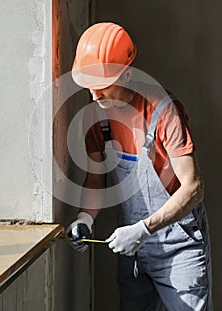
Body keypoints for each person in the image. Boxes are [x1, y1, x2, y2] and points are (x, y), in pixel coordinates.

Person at [67, 22, 213, 310]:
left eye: (103, 88)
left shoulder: (164, 111)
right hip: (132, 249)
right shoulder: (95, 117)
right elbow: (96, 180)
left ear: (128, 76)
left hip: (178, 248)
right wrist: (85, 218)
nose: (95, 98)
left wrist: (144, 229)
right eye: (90, 89)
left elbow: (194, 188)